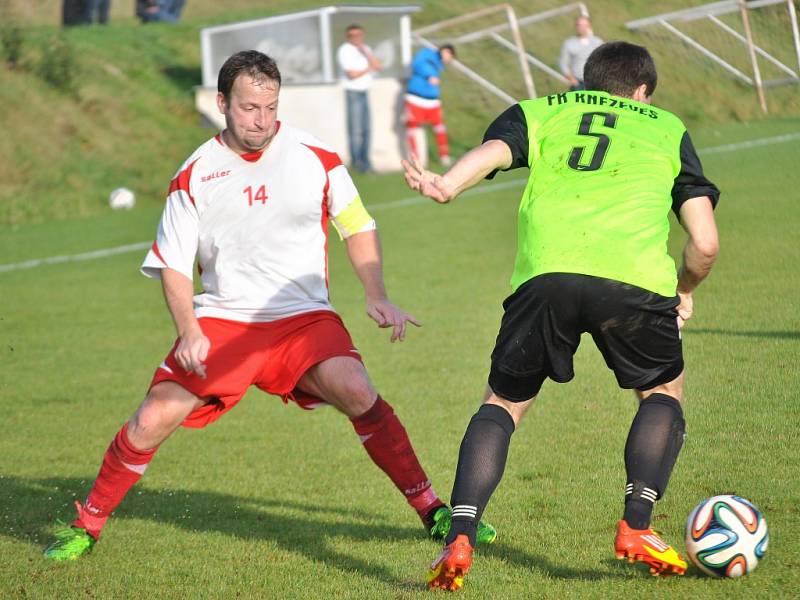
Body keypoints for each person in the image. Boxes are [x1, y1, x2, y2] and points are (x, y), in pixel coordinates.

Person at [43, 50, 495, 561]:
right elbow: (172, 263)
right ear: (222, 104)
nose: (262, 121)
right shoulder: (194, 174)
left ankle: (432, 509)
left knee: (356, 388)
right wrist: (189, 329)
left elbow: (357, 224)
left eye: (271, 107)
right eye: (249, 108)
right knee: (152, 418)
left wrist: (376, 294)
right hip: (224, 320)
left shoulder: (315, 156)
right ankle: (87, 524)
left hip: (301, 316)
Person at [403, 41, 720, 591]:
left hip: (546, 274)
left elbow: (498, 151)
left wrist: (448, 184)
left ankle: (459, 535)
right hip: (633, 280)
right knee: (663, 392)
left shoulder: (543, 109)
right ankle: (637, 526)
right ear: (642, 90)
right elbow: (706, 242)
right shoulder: (667, 127)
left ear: (583, 80)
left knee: (503, 403)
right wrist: (684, 289)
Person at [337, 24, 381, 173]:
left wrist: (365, 52)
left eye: (359, 35)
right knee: (355, 130)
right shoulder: (344, 50)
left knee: (367, 129)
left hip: (365, 91)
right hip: (353, 92)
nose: (357, 38)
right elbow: (352, 74)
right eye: (353, 36)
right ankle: (357, 163)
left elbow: (377, 65)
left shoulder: (365, 48)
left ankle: (366, 161)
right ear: (348, 37)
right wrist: (368, 68)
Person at [405, 44, 456, 168]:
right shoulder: (427, 53)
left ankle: (444, 156)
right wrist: (429, 75)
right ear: (445, 51)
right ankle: (415, 160)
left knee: (440, 128)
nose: (448, 59)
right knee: (412, 128)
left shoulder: (440, 64)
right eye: (449, 55)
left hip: (432, 101)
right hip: (415, 98)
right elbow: (416, 64)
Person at [559, 15, 602, 91]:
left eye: (584, 25)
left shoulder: (597, 42)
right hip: (577, 83)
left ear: (588, 26)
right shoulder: (569, 43)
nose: (582, 27)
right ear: (576, 26)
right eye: (579, 25)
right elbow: (563, 63)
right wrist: (571, 78)